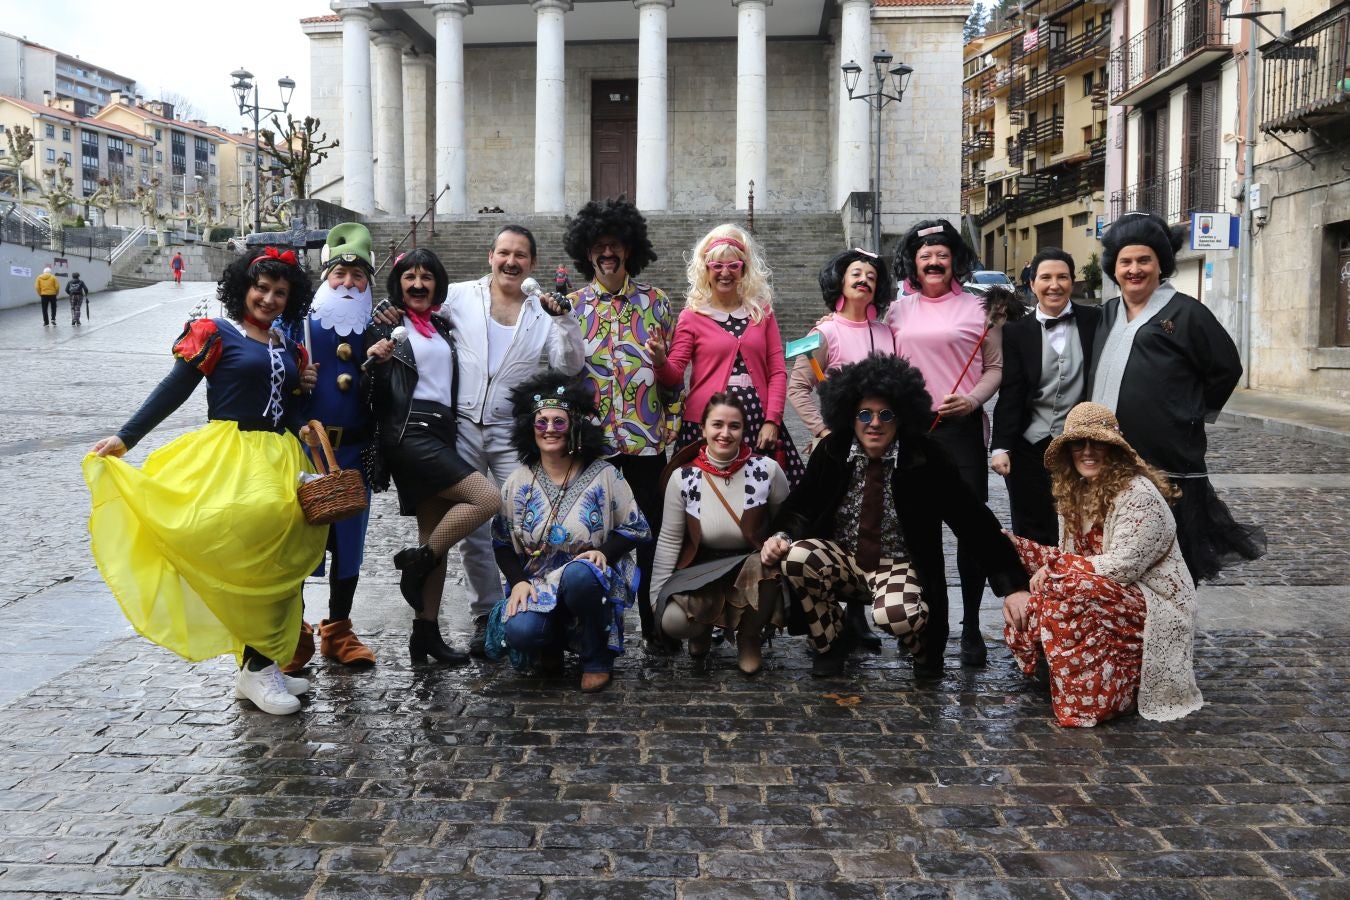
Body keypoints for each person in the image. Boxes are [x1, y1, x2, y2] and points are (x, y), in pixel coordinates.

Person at [83, 247, 326, 716]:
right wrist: (126, 437)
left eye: (280, 292)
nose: (270, 298)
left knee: (286, 557)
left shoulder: (289, 347)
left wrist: (303, 392)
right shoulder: (215, 333)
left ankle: (258, 666)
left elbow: (292, 413)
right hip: (232, 455)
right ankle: (256, 667)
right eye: (262, 288)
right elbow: (174, 388)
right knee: (254, 544)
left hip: (281, 455)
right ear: (244, 289)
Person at [761, 355, 1030, 678]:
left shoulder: (925, 457)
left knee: (896, 614)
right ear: (849, 415)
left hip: (898, 565)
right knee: (798, 556)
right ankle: (830, 642)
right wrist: (779, 536)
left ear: (901, 417)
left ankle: (923, 653)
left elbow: (972, 521)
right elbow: (800, 506)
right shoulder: (832, 450)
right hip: (844, 560)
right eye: (864, 414)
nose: (874, 423)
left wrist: (1012, 585)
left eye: (885, 415)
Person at [1003, 402, 1203, 727]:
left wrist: (1056, 569)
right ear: (1068, 452)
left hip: (1154, 604)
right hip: (1102, 591)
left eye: (1097, 443)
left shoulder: (1138, 495)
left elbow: (1123, 567)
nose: (1088, 452)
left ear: (1114, 449)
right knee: (1008, 549)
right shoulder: (1076, 492)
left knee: (1062, 584)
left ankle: (1095, 698)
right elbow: (1071, 556)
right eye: (1078, 444)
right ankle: (1067, 670)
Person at [1091, 212, 1263, 582]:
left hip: (1168, 454)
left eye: (1144, 260)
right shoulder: (1106, 314)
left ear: (1160, 264)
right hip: (1108, 453)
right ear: (1114, 268)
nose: (1134, 269)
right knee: (1115, 553)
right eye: (1126, 262)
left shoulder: (1187, 312)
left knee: (1171, 557)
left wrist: (1189, 411)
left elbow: (1226, 368)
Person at [441, 224, 583, 659]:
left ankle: (534, 603)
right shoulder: (460, 296)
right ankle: (486, 613)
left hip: (509, 429)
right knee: (472, 527)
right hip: (462, 423)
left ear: (532, 263)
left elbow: (570, 365)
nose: (511, 262)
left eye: (520, 255)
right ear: (490, 255)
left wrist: (564, 320)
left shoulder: (544, 312)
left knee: (527, 519)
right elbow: (422, 323)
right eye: (504, 253)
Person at [365, 248, 501, 665]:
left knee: (434, 533)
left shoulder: (440, 326)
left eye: (426, 277)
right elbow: (373, 380)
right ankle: (414, 564)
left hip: (443, 430)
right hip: (411, 431)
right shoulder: (388, 325)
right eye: (410, 278)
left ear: (437, 284)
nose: (418, 284)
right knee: (487, 498)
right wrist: (376, 361)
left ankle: (424, 636)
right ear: (398, 284)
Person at [888, 218, 1005, 667]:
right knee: (919, 534)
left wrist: (973, 400)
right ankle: (925, 624)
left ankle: (972, 626)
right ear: (913, 265)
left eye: (942, 254)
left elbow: (994, 367)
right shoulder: (896, 311)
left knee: (971, 530)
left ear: (954, 259)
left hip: (961, 430)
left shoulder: (981, 309)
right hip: (916, 432)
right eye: (925, 256)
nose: (934, 261)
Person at [564, 198, 679, 651]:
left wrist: (669, 419)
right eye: (598, 247)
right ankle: (596, 627)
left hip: (647, 443)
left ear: (629, 249)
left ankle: (653, 623)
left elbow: (672, 376)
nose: (607, 254)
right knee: (594, 536)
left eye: (614, 245)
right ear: (587, 253)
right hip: (596, 445)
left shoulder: (658, 303)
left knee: (649, 534)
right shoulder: (571, 308)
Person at [490, 370, 651, 693]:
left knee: (580, 577)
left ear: (574, 426)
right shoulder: (518, 480)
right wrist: (519, 582)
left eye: (559, 422)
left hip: (590, 580)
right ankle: (549, 645)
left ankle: (596, 657)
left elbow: (636, 528)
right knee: (521, 632)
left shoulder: (605, 475)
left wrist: (603, 553)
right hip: (539, 583)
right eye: (541, 422)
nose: (549, 429)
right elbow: (502, 541)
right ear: (530, 429)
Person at [283, 223, 381, 673]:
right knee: (302, 541)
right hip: (306, 450)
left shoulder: (377, 326)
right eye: (339, 276)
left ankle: (338, 630)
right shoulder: (296, 323)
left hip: (354, 451)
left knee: (349, 544)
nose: (348, 283)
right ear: (325, 279)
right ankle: (294, 633)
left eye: (358, 276)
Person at [655, 224, 804, 486]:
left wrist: (773, 420)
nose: (725, 273)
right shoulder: (692, 316)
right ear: (706, 269)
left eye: (733, 266)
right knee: (703, 496)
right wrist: (659, 360)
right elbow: (673, 374)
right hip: (706, 424)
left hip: (756, 423)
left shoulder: (762, 313)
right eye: (717, 266)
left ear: (744, 269)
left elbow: (778, 371)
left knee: (763, 498)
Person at [652, 394, 789, 675]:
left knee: (768, 573)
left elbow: (788, 522)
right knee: (673, 621)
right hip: (700, 568)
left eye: (734, 426)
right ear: (703, 429)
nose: (725, 433)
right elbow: (669, 539)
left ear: (744, 430)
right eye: (717, 425)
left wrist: (780, 540)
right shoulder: (683, 477)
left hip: (751, 564)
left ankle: (749, 638)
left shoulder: (767, 470)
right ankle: (700, 630)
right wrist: (658, 596)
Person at [991, 248, 1101, 546]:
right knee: (1032, 527)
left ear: (1072, 281)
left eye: (1062, 277)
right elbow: (1011, 391)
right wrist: (1000, 445)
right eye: (1046, 277)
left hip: (1081, 443)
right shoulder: (1015, 332)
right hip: (1030, 444)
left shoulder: (1096, 321)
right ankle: (1037, 590)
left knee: (1083, 527)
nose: (1054, 285)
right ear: (1032, 283)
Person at [786, 247, 897, 445]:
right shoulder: (822, 333)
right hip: (839, 441)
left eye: (871, 277)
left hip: (882, 440)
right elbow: (797, 388)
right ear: (841, 281)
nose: (864, 280)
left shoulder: (887, 332)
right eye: (856, 274)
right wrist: (823, 431)